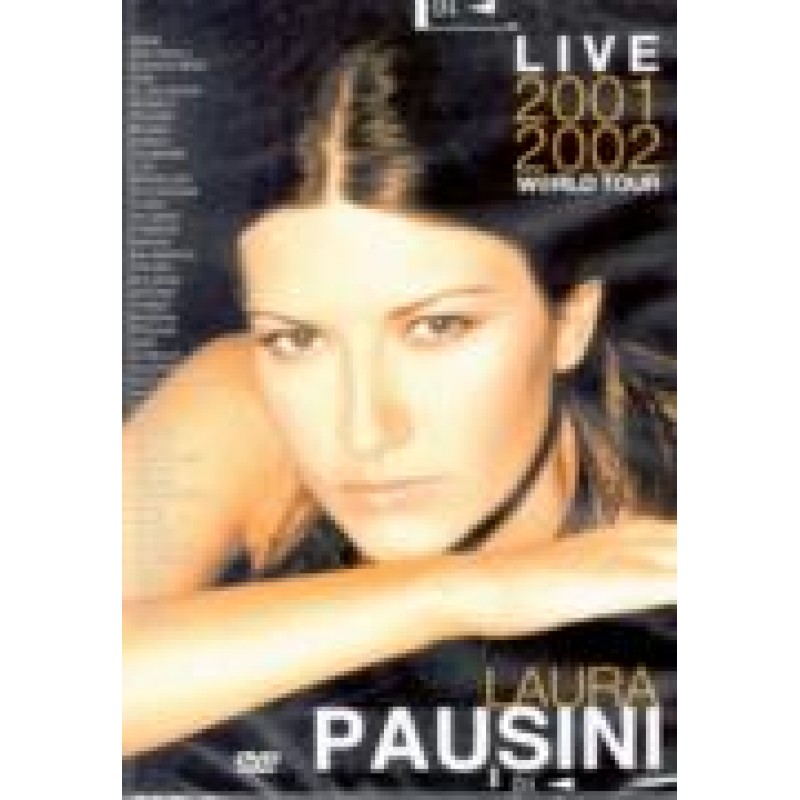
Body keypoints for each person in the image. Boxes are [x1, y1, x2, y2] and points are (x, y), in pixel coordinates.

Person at [123, 26, 676, 791]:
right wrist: (464, 591)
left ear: (569, 322)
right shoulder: (241, 402)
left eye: (437, 327)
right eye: (296, 339)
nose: (364, 430)